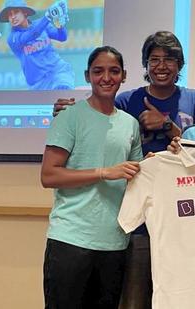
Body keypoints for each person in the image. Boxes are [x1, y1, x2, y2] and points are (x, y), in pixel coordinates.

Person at [54, 31, 195, 309]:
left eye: (169, 59)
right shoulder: (126, 101)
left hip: (184, 218)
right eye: (154, 59)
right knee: (133, 300)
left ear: (180, 64)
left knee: (184, 297)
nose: (161, 66)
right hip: (136, 225)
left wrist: (168, 125)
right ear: (144, 66)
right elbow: (98, 113)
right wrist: (68, 111)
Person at [40, 46, 143, 309]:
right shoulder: (69, 117)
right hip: (70, 240)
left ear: (124, 75)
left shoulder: (130, 123)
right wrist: (103, 173)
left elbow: (137, 175)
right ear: (87, 76)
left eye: (114, 71)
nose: (106, 77)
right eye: (98, 71)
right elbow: (49, 175)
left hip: (114, 242)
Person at [0, 0, 74, 90]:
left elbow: (62, 37)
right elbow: (32, 34)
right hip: (38, 85)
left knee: (62, 90)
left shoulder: (41, 24)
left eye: (16, 12)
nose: (13, 17)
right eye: (9, 15)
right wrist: (48, 16)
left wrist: (60, 25)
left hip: (58, 72)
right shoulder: (13, 38)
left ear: (25, 12)